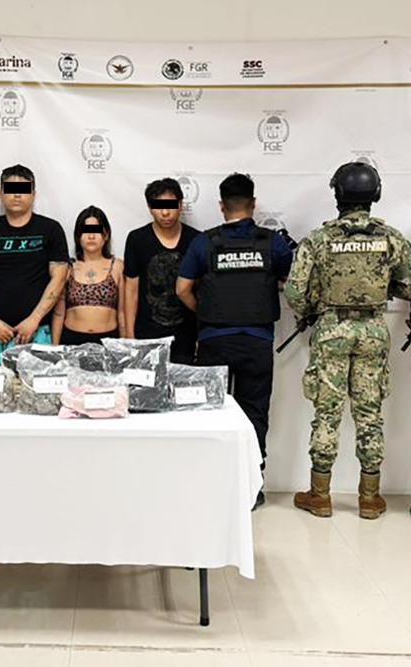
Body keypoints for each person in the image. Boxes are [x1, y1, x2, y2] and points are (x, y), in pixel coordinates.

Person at [286, 162, 411, 520]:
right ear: (376, 194)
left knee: (327, 413)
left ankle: (320, 496)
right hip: (373, 331)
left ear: (337, 194)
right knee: (369, 415)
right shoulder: (392, 239)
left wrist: (313, 308)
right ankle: (369, 499)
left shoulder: (319, 239)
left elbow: (295, 292)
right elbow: (408, 285)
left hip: (331, 331)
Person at [176, 173, 293, 509]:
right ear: (253, 204)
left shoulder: (204, 242)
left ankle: (212, 485)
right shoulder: (273, 243)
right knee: (254, 414)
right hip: (257, 341)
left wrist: (205, 312)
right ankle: (252, 488)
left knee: (211, 413)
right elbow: (291, 280)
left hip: (214, 340)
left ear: (221, 205)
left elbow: (182, 289)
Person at [0, 164, 69, 362]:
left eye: (23, 189)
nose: (17, 195)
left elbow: (59, 279)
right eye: (10, 189)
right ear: (1, 193)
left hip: (37, 332)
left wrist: (34, 320)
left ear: (33, 194)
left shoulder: (50, 229)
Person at [123, 178, 200, 363]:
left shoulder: (196, 240)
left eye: (171, 206)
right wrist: (130, 336)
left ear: (180, 205)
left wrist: (202, 334)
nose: (165, 213)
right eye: (158, 207)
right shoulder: (137, 239)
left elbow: (202, 291)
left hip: (186, 336)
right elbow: (131, 291)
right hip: (147, 335)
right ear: (150, 208)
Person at [53, 206, 125, 345]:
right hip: (72, 341)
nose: (91, 236)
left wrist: (125, 347)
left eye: (96, 231)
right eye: (86, 231)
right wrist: (55, 348)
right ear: (78, 236)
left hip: (108, 342)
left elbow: (122, 313)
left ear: (106, 235)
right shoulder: (68, 267)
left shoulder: (117, 266)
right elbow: (59, 313)